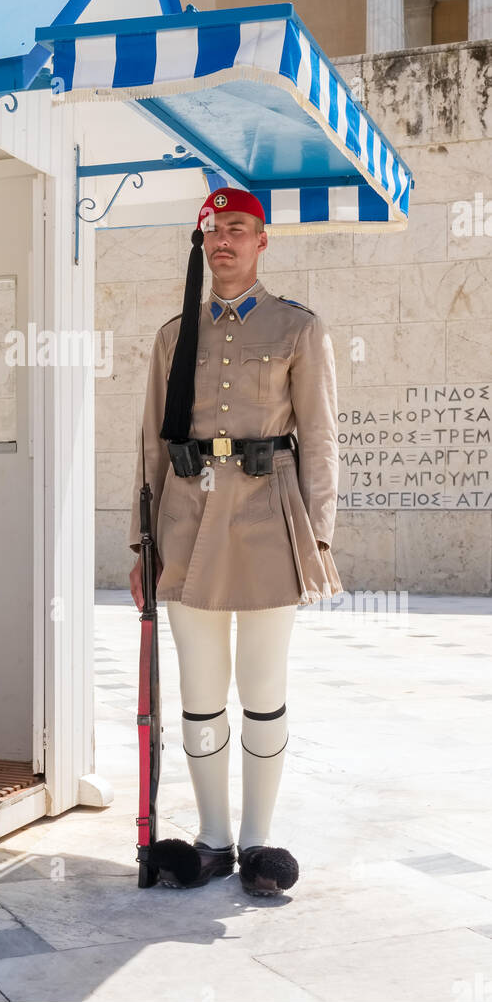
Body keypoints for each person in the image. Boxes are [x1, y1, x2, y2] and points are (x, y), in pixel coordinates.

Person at [128, 187, 341, 896]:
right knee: (198, 688)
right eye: (216, 230)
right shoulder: (173, 335)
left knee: (264, 683)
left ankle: (258, 840)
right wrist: (140, 546)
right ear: (203, 240)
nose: (226, 241)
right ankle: (213, 838)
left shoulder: (296, 328)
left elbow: (320, 438)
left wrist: (322, 538)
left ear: (262, 242)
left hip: (268, 518)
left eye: (240, 230)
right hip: (189, 521)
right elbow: (152, 446)